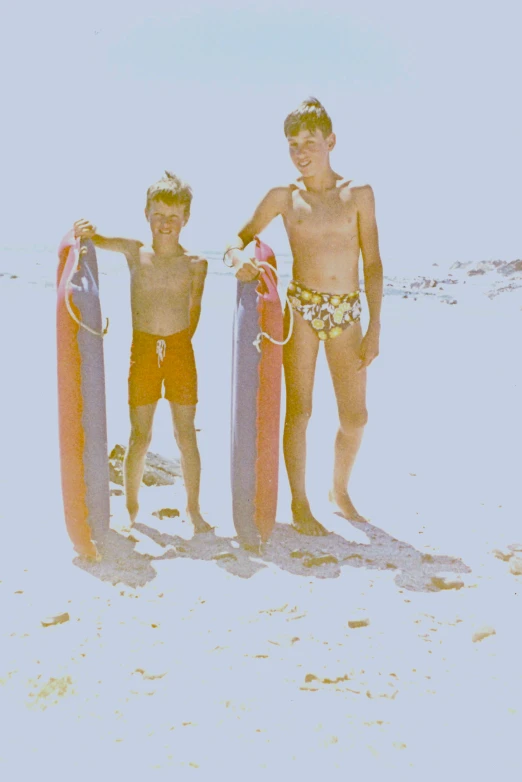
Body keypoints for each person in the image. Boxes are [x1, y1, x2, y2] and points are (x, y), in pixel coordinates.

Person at [224, 98, 383, 536]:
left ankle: (339, 489)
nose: (301, 153)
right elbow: (239, 238)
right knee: (300, 411)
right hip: (302, 310)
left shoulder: (358, 194)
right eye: (293, 145)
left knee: (356, 417)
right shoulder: (284, 197)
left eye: (309, 142)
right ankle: (299, 502)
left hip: (346, 311)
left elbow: (373, 263)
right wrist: (236, 256)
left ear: (330, 141)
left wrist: (375, 326)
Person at [74, 172, 212, 533]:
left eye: (173, 216)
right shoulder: (136, 251)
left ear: (186, 218)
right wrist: (86, 229)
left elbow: (194, 311)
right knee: (140, 435)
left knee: (186, 435)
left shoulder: (197, 263)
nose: (165, 223)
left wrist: (176, 345)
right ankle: (131, 508)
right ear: (147, 213)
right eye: (158, 214)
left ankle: (194, 508)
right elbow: (98, 239)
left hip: (181, 350)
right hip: (144, 351)